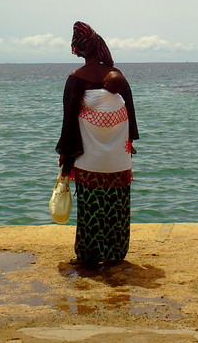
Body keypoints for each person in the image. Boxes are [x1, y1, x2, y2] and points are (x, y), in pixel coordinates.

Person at [56, 21, 139, 269]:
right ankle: (115, 254)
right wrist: (129, 141)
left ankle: (88, 256)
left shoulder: (76, 79)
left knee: (90, 208)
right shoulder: (117, 77)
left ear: (79, 50)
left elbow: (69, 121)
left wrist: (66, 154)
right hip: (118, 159)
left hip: (88, 157)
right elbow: (131, 115)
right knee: (117, 206)